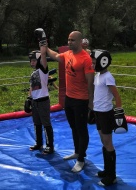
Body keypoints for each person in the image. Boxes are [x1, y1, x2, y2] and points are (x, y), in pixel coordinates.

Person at [46, 30, 94, 173]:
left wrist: (91, 102)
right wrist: (44, 47)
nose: (69, 42)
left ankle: (81, 159)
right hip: (69, 98)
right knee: (73, 127)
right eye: (68, 39)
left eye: (72, 40)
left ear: (80, 42)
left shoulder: (86, 59)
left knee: (81, 129)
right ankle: (77, 151)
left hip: (81, 100)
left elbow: (90, 83)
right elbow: (55, 55)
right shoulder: (67, 55)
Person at [90, 49, 124, 186]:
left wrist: (119, 113)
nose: (92, 64)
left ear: (102, 62)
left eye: (94, 62)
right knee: (103, 142)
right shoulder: (98, 75)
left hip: (106, 113)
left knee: (108, 143)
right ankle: (106, 170)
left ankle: (112, 176)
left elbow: (116, 96)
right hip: (98, 112)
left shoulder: (108, 77)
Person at [28, 44, 54, 155]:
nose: (32, 63)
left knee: (46, 123)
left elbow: (43, 57)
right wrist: (29, 99)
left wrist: (42, 44)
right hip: (35, 101)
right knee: (36, 123)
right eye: (31, 61)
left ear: (39, 60)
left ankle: (50, 146)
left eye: (34, 60)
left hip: (43, 101)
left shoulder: (43, 71)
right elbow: (32, 87)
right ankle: (39, 143)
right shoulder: (33, 73)